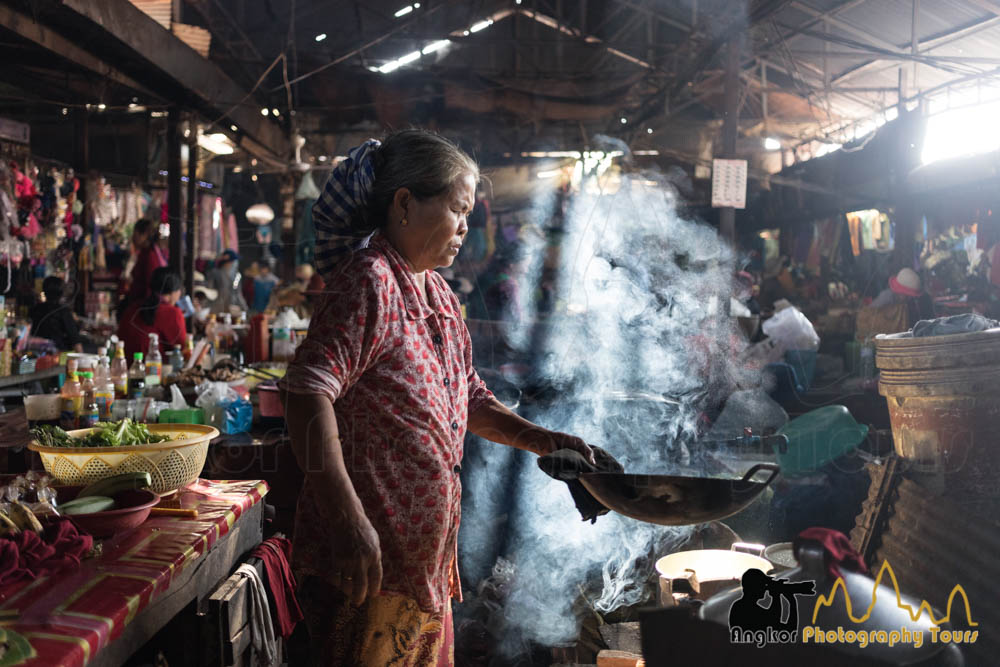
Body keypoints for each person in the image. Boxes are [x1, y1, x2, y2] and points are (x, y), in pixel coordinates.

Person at [280, 130, 595, 666]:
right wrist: (348, 520)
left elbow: (466, 397)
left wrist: (544, 440)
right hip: (368, 568)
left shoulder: (437, 291)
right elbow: (307, 395)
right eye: (457, 208)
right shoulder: (371, 280)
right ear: (404, 204)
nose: (466, 226)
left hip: (420, 568)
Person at [117, 268, 187, 358]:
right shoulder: (172, 313)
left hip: (126, 365)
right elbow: (182, 348)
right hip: (153, 368)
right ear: (174, 292)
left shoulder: (133, 307)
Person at [121, 218, 167, 313]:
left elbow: (150, 288)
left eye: (135, 234)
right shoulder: (145, 253)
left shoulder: (150, 256)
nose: (133, 238)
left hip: (143, 310)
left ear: (144, 235)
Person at [30, 276, 84, 352]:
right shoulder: (64, 312)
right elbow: (75, 339)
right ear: (61, 292)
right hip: (57, 355)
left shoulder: (35, 309)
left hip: (35, 353)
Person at [206, 249, 249, 315]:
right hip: (216, 309)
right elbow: (209, 292)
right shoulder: (215, 273)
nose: (234, 263)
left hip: (232, 309)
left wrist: (244, 308)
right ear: (228, 262)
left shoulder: (237, 276)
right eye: (233, 261)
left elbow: (238, 293)